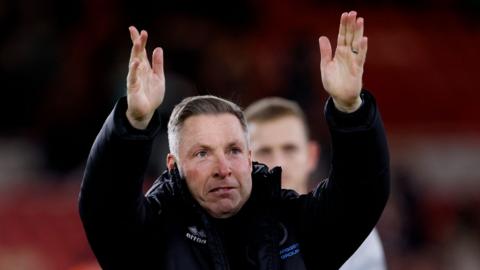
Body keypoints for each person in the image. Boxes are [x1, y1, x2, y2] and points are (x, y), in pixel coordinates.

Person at [78, 11, 390, 270]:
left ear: (250, 156)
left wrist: (351, 111)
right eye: (202, 153)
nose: (223, 168)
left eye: (233, 150)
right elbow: (105, 208)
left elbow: (360, 195)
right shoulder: (149, 237)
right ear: (173, 165)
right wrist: (133, 123)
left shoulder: (293, 226)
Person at [245, 97, 386, 270]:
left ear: (312, 155)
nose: (278, 163)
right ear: (245, 160)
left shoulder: (352, 229)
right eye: (264, 151)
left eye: (290, 149)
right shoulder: (227, 232)